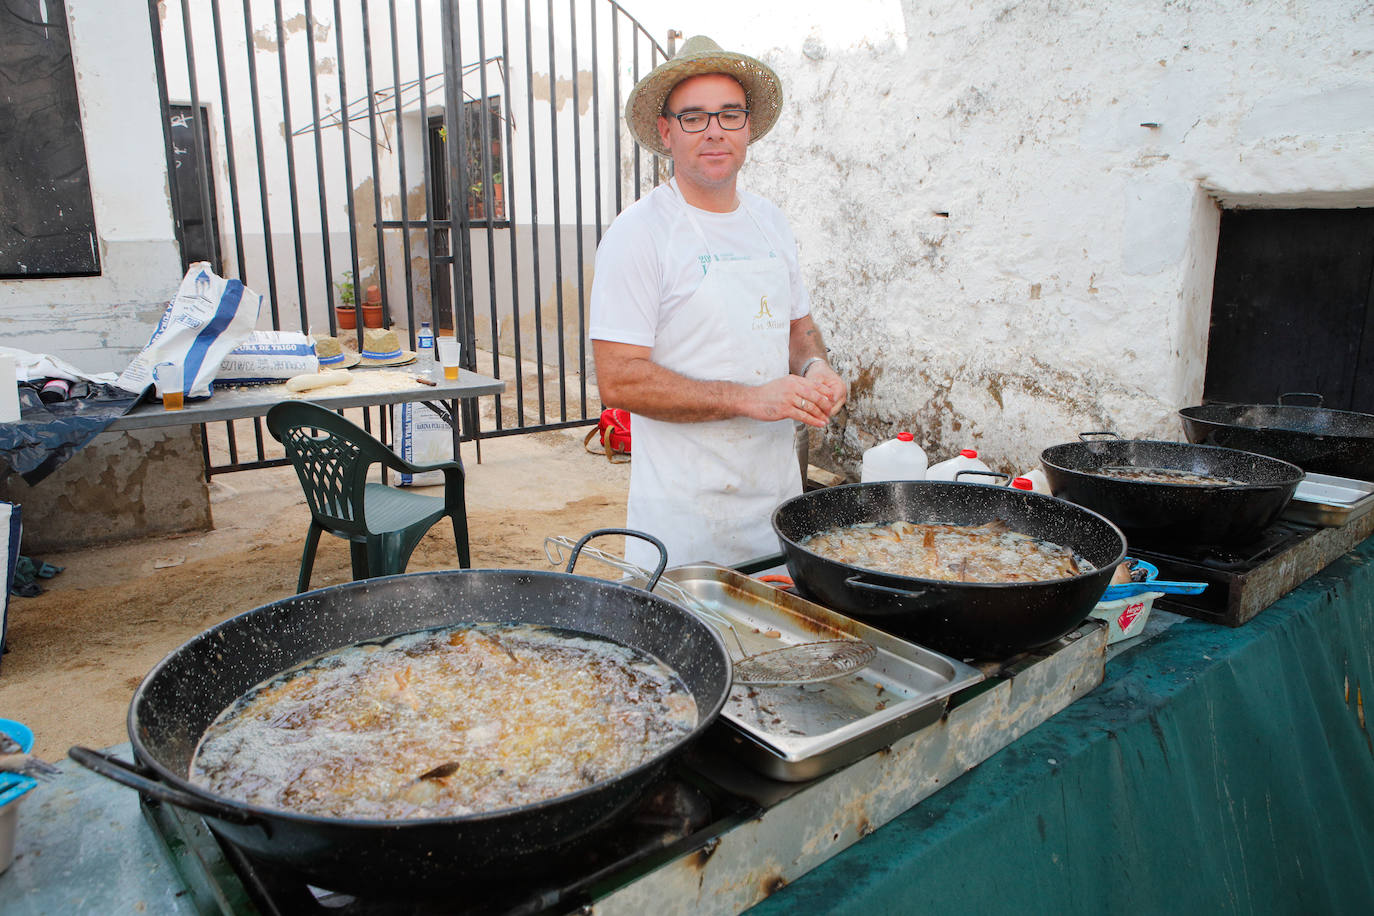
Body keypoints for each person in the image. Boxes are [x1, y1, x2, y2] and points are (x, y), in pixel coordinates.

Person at [589, 35, 847, 569]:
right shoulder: (638, 234)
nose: (713, 130)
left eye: (729, 114)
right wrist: (751, 399)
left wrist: (817, 365)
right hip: (684, 517)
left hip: (773, 504)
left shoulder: (770, 221)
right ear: (666, 131)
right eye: (693, 116)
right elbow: (619, 379)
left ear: (748, 127)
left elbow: (799, 329)